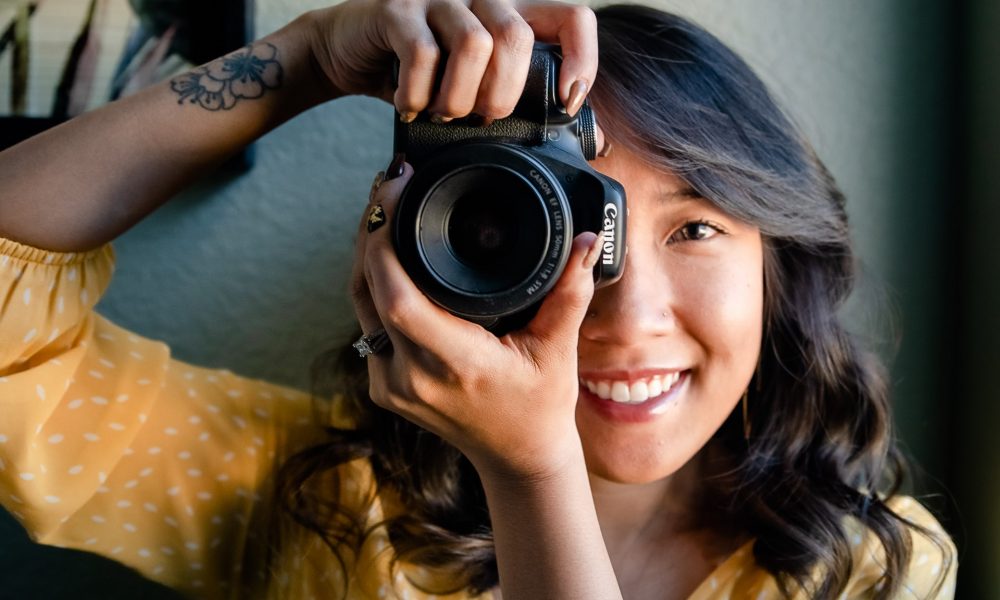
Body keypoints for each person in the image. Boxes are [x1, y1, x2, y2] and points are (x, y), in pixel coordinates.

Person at [0, 0, 956, 598]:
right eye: (546, 230)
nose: (626, 316)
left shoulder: (875, 570)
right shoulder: (312, 497)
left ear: (777, 261)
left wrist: (534, 474)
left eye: (696, 228)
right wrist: (308, 58)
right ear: (429, 246)